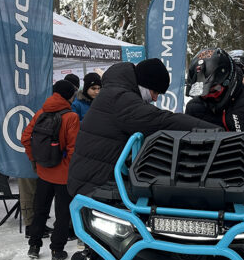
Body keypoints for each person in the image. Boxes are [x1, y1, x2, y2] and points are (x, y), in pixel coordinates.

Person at [68, 59, 214, 198]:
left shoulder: (116, 92)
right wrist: (214, 131)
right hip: (93, 186)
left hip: (92, 177)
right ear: (144, 84)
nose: (155, 99)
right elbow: (163, 121)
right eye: (155, 92)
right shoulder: (121, 100)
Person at [21, 81, 80, 260]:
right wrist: (69, 168)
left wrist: (35, 160)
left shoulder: (41, 112)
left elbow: (25, 138)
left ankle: (34, 246)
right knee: (62, 214)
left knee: (40, 210)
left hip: (44, 172)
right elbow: (73, 149)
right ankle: (57, 250)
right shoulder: (71, 117)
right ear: (69, 96)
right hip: (63, 175)